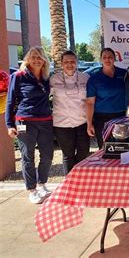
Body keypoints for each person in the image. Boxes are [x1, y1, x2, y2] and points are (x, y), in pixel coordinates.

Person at [5, 47, 54, 204]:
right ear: (27, 59)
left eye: (40, 57)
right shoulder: (18, 76)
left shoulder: (46, 77)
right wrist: (9, 124)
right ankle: (32, 189)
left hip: (45, 121)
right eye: (33, 57)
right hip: (24, 121)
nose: (37, 59)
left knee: (47, 155)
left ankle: (42, 184)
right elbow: (10, 101)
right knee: (28, 156)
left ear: (44, 59)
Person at [50, 51, 90, 175]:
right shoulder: (53, 79)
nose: (69, 64)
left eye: (72, 61)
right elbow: (42, 97)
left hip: (82, 122)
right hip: (61, 124)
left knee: (84, 152)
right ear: (62, 63)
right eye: (66, 62)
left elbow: (91, 99)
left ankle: (79, 179)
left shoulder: (85, 77)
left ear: (76, 62)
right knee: (68, 155)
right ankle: (69, 182)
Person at [86, 48, 127, 149]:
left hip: (120, 116)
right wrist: (89, 123)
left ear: (114, 59)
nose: (107, 59)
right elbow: (90, 103)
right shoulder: (94, 79)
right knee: (105, 149)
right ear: (101, 59)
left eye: (110, 57)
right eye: (104, 57)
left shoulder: (124, 74)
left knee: (122, 147)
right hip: (101, 119)